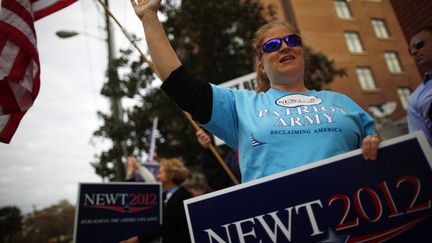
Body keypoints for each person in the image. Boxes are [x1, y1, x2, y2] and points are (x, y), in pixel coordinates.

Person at [130, 0, 380, 183]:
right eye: (272, 45)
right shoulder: (241, 105)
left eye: (292, 41)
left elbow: (388, 156)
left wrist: (377, 146)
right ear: (261, 64)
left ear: (302, 52)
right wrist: (150, 17)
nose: (284, 46)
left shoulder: (342, 103)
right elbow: (181, 86)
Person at [120, 158, 192, 243]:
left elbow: (168, 225)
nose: (158, 176)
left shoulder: (183, 195)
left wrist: (138, 239)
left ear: (171, 175)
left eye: (160, 172)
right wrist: (130, 175)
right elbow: (137, 197)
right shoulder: (164, 195)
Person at [407, 25, 432, 147]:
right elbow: (424, 146)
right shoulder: (415, 99)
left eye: (419, 44)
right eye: (410, 50)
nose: (414, 52)